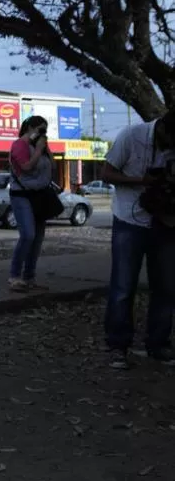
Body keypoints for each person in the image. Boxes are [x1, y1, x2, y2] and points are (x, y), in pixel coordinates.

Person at [101, 108, 175, 369]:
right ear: (163, 127)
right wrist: (141, 181)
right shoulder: (133, 136)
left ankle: (158, 344)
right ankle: (118, 346)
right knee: (123, 286)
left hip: (164, 221)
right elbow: (106, 174)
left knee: (166, 287)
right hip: (129, 220)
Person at [8, 115, 55, 293]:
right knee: (27, 235)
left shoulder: (40, 146)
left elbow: (53, 167)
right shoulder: (19, 145)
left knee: (37, 238)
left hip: (40, 194)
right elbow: (26, 167)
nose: (43, 133)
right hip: (22, 194)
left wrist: (45, 149)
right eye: (41, 130)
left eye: (45, 130)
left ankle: (29, 277)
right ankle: (14, 276)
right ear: (30, 127)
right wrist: (37, 150)